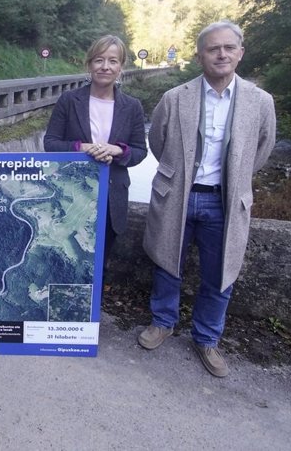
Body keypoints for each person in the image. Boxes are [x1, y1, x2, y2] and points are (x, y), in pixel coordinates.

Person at [139, 21, 276, 377]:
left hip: (225, 201)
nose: (222, 54)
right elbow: (158, 142)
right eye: (213, 48)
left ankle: (206, 338)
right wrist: (177, 173)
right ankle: (162, 322)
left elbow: (263, 149)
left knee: (220, 274)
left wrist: (237, 177)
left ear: (240, 53)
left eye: (229, 48)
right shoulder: (175, 97)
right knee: (167, 264)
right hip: (178, 195)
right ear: (200, 55)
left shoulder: (260, 102)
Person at [44, 35, 148, 278]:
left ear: (121, 66)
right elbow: (50, 143)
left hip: (112, 197)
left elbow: (140, 151)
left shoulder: (132, 106)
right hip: (71, 195)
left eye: (113, 61)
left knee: (97, 265)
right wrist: (83, 148)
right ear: (89, 64)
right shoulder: (69, 101)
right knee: (64, 262)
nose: (105, 66)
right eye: (99, 60)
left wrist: (118, 151)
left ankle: (92, 314)